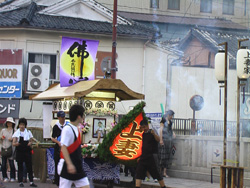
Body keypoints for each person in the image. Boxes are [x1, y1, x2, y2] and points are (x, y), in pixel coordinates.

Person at [57, 104, 90, 188]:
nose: (83, 117)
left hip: (77, 166)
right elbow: (63, 147)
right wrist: (69, 164)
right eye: (83, 115)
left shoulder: (77, 128)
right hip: (66, 166)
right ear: (79, 116)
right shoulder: (67, 129)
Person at [135, 119, 166, 188]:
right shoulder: (143, 134)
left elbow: (158, 140)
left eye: (144, 127)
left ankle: (163, 186)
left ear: (147, 126)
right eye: (142, 127)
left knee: (157, 174)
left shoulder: (152, 132)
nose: (143, 129)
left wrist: (154, 134)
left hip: (151, 157)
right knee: (138, 173)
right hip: (143, 157)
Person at [12, 118, 37, 187]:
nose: (22, 126)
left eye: (23, 124)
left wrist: (30, 143)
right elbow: (13, 143)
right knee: (20, 167)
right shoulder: (16, 133)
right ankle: (20, 181)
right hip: (19, 151)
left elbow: (31, 140)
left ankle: (31, 181)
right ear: (19, 125)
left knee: (29, 167)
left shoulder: (28, 132)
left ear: (25, 125)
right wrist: (16, 143)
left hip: (27, 151)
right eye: (20, 124)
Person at [159, 110, 176, 178]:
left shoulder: (170, 122)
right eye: (171, 115)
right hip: (164, 139)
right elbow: (161, 129)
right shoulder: (163, 120)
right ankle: (160, 172)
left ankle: (164, 173)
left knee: (167, 157)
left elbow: (170, 129)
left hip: (169, 140)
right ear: (169, 115)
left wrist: (173, 133)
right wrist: (161, 139)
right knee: (162, 157)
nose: (172, 117)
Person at [51, 111, 67, 186]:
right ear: (58, 117)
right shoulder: (56, 126)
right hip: (58, 147)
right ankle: (57, 180)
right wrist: (58, 142)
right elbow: (52, 138)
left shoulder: (67, 125)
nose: (63, 118)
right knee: (58, 164)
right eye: (61, 117)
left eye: (63, 117)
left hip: (66, 147)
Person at [0, 117, 16, 182]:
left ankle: (12, 177)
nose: (9, 124)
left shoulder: (14, 131)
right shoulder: (3, 130)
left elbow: (16, 139)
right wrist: (1, 138)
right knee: (3, 164)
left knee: (11, 164)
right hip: (4, 148)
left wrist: (12, 139)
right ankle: (5, 177)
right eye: (8, 123)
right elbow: (0, 139)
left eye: (10, 123)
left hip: (11, 148)